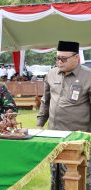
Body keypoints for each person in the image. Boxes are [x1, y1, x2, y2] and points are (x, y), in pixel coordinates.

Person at [37, 40, 91, 190]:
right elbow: (45, 102)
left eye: (63, 59)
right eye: (57, 58)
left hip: (79, 138)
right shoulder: (51, 74)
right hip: (55, 136)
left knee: (80, 179)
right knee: (56, 178)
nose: (59, 62)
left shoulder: (88, 76)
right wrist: (40, 124)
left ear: (76, 58)